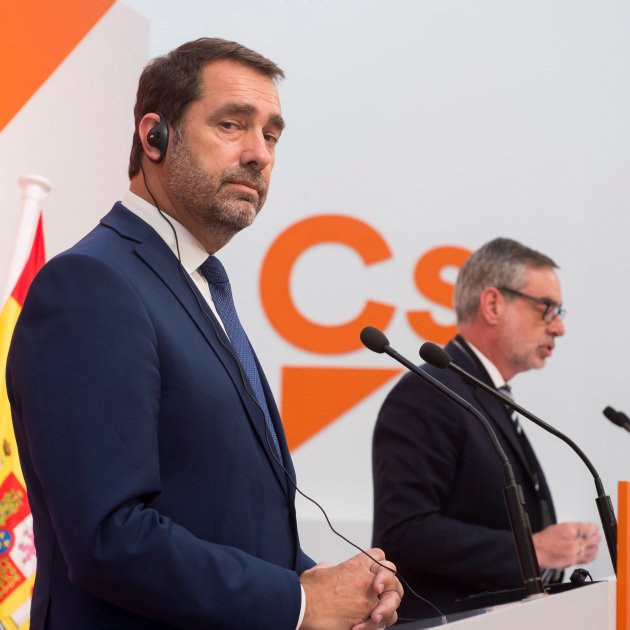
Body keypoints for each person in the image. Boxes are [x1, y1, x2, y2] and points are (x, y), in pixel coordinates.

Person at [6, 38, 402, 629]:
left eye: (271, 135)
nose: (259, 154)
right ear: (154, 136)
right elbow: (108, 535)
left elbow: (220, 523)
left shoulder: (199, 286)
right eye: (231, 124)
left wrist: (329, 587)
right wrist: (299, 605)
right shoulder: (91, 285)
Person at [372, 237, 600, 619]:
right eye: (547, 309)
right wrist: (534, 550)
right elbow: (405, 532)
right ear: (493, 305)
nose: (559, 327)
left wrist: (551, 556)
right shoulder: (428, 393)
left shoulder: (483, 392)